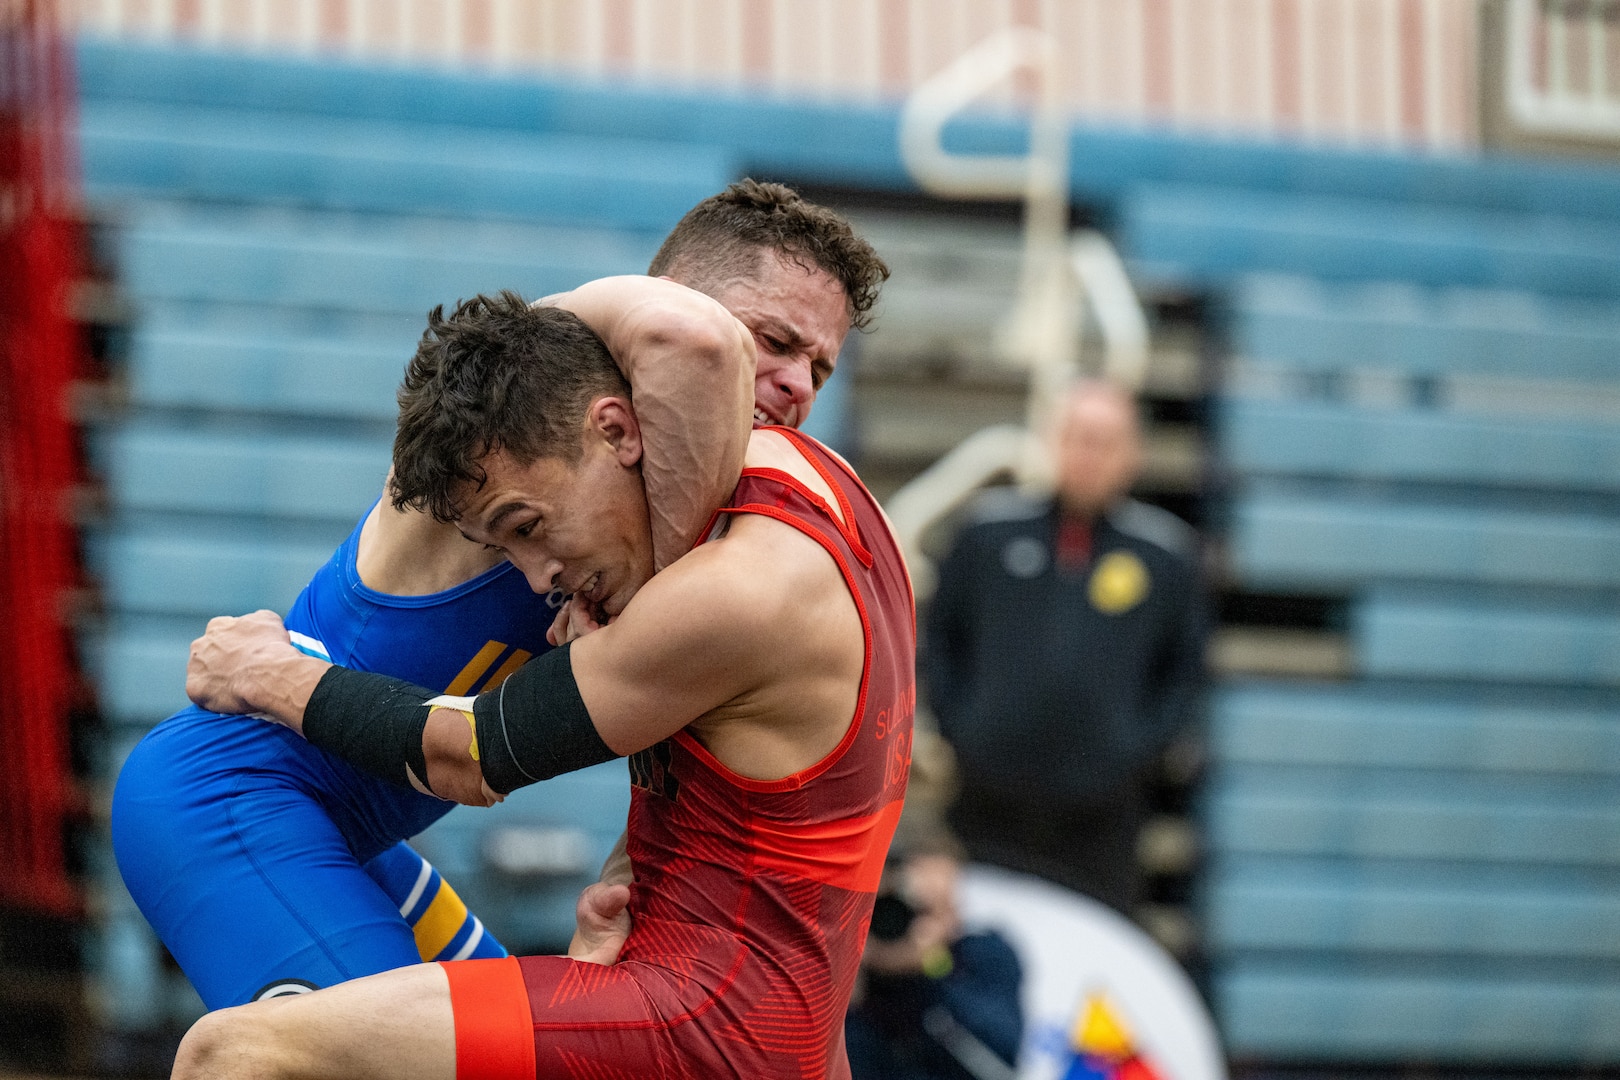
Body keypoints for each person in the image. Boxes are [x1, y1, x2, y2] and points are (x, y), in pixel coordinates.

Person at [110, 179, 887, 1007]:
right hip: (232, 797)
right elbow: (693, 339)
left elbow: (675, 747)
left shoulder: (694, 526)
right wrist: (661, 578)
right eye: (774, 340)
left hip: (359, 837)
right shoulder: (530, 397)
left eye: (820, 367)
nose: (799, 384)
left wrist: (622, 907)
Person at [924, 381, 1207, 914]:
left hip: (1103, 817)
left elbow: (1184, 676)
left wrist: (1134, 753)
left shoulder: (1166, 558)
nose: (1089, 455)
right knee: (981, 955)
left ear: (1132, 455)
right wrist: (965, 730)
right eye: (1079, 437)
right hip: (987, 804)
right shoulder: (987, 536)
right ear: (1053, 441)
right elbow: (939, 641)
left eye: (1106, 441)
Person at [846, 838, 1023, 1080]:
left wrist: (931, 965)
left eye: (925, 910)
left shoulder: (981, 958)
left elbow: (997, 1062)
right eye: (887, 907)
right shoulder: (845, 962)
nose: (899, 921)